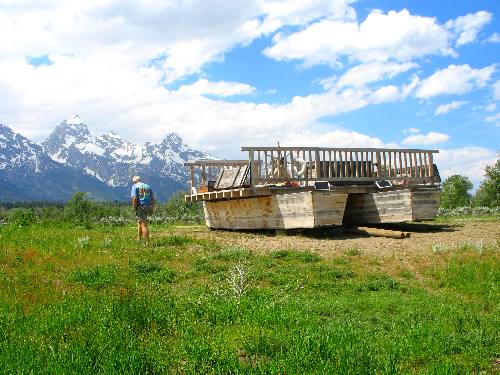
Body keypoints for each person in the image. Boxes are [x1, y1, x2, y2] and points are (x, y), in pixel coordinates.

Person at [130, 175, 156, 245]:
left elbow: (134, 198)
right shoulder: (147, 186)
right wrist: (153, 207)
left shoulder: (135, 186)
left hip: (141, 207)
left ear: (134, 181)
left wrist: (134, 207)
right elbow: (153, 197)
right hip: (149, 206)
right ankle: (139, 238)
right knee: (140, 222)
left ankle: (147, 242)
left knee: (144, 225)